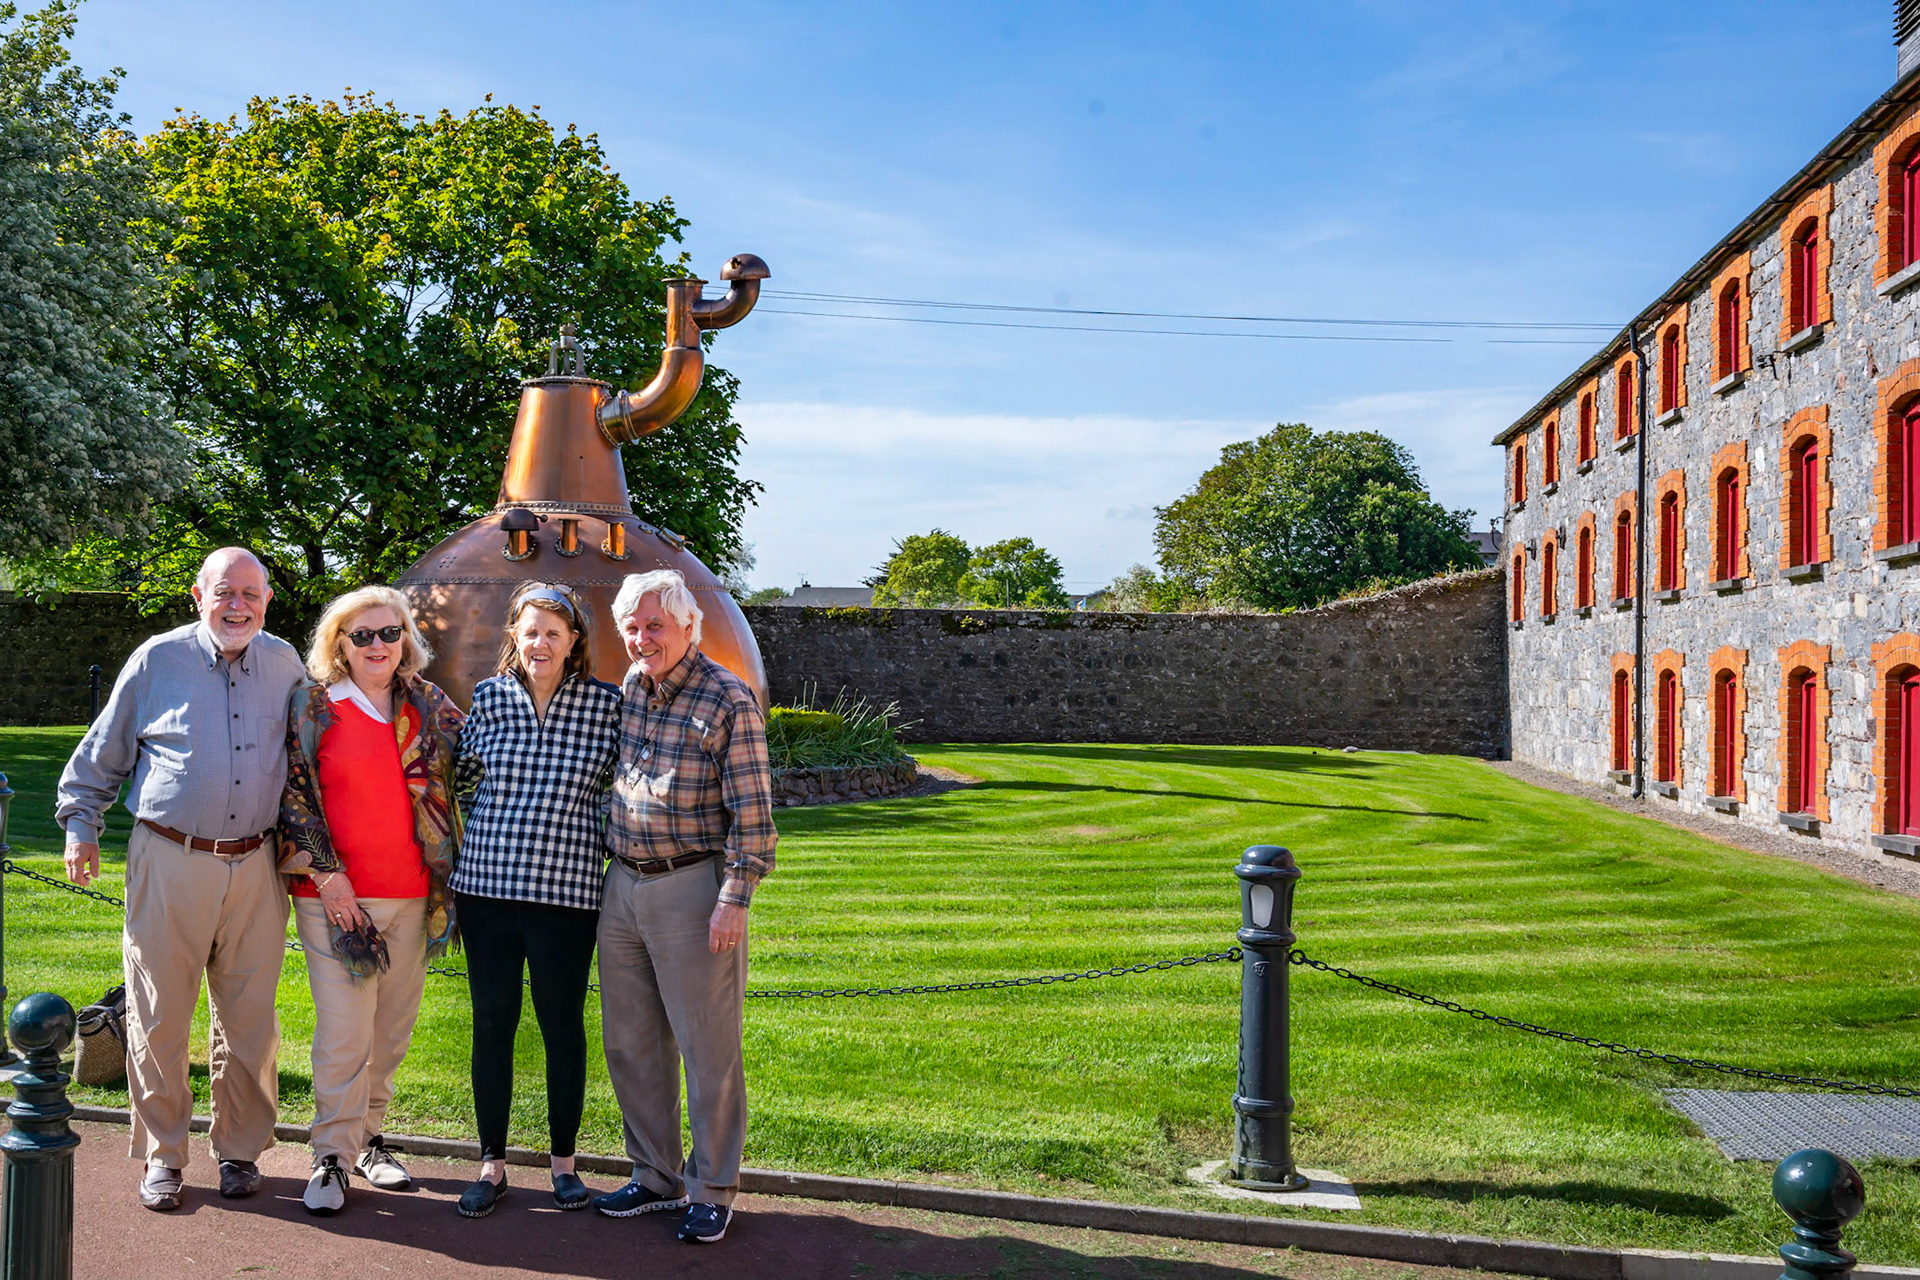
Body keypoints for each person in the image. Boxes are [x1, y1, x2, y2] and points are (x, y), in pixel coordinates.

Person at [55, 547, 307, 1211]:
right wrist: (81, 826)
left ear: (267, 600)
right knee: (160, 1015)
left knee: (250, 1020)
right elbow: (102, 753)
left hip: (257, 864)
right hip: (170, 856)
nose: (237, 605)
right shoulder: (156, 660)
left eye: (250, 594)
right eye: (224, 592)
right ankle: (163, 1155)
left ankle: (240, 1150)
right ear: (199, 596)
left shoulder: (286, 664)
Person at [592, 569, 777, 1245]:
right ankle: (654, 1175)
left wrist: (734, 900)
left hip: (693, 888)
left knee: (707, 1048)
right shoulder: (632, 687)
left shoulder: (727, 698)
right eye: (633, 627)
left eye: (655, 626)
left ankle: (713, 1188)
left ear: (690, 626)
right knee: (631, 1042)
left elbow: (753, 816)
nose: (642, 639)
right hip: (622, 884)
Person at [278, 586, 465, 1215]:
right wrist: (330, 878)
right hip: (334, 899)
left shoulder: (428, 702)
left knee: (390, 1033)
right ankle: (330, 1155)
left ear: (406, 638)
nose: (378, 645)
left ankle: (368, 1138)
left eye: (390, 632)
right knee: (344, 1031)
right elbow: (294, 797)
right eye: (362, 635)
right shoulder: (314, 706)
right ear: (340, 644)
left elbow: (480, 760)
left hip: (414, 894)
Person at [449, 582, 622, 1218]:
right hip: (487, 892)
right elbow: (463, 781)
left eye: (554, 632)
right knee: (492, 1023)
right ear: (514, 639)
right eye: (530, 632)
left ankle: (565, 1165)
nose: (541, 643)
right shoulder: (489, 698)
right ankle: (490, 1164)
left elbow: (622, 788)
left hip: (568, 896)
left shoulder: (607, 706)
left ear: (574, 641)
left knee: (561, 1026)